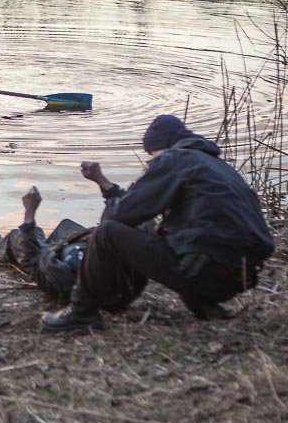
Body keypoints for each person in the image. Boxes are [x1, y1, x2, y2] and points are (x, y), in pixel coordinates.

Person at [41, 114, 275, 333]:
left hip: (206, 276)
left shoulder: (173, 160)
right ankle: (206, 307)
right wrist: (108, 186)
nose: (150, 162)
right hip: (239, 278)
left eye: (151, 155)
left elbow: (118, 217)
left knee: (107, 233)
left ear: (158, 148)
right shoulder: (215, 166)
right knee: (182, 237)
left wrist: (112, 195)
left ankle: (82, 313)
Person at [0, 187, 90, 305]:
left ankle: (0, 248)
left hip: (64, 261)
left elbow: (30, 261)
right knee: (66, 225)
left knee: (17, 237)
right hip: (83, 249)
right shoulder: (107, 246)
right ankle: (38, 240)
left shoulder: (67, 280)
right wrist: (102, 181)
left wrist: (29, 215)